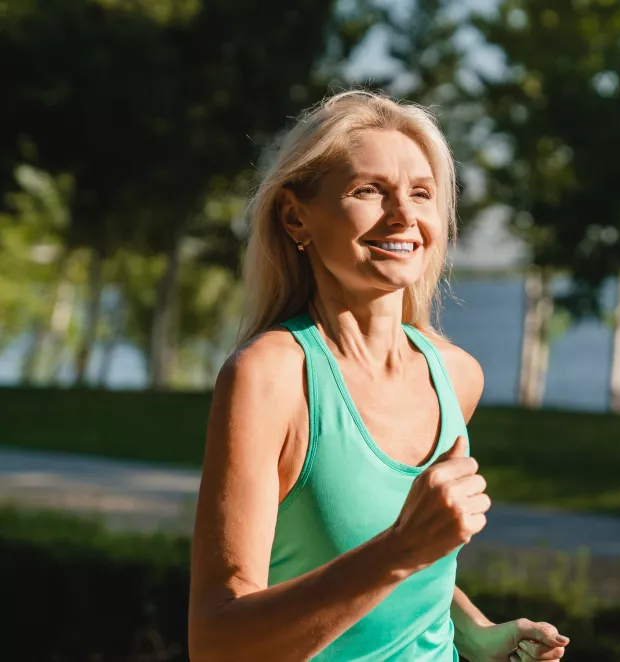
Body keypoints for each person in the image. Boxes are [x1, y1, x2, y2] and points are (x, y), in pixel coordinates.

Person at [187, 90, 570, 662]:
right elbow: (217, 643)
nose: (404, 216)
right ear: (296, 216)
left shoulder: (455, 375)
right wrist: (402, 549)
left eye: (421, 193)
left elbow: (397, 567)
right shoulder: (269, 378)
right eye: (369, 190)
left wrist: (475, 632)